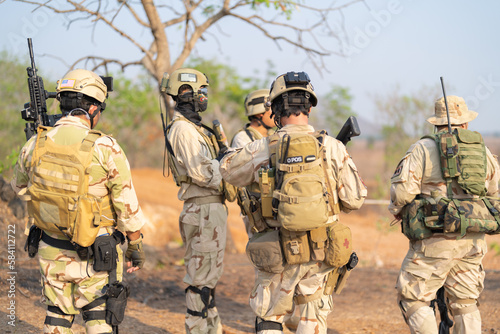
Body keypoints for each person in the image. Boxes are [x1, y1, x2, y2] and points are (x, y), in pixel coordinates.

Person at [220, 71, 366, 334]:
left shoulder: (263, 147)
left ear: (275, 109)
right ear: (309, 106)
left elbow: (228, 171)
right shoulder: (332, 147)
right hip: (320, 253)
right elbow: (354, 200)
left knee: (270, 318)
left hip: (276, 250)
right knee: (311, 321)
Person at [11, 69, 147, 334]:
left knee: (57, 317)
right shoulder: (106, 147)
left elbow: (20, 187)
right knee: (98, 315)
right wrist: (135, 246)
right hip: (96, 252)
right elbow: (127, 208)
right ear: (93, 107)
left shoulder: (34, 143)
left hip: (50, 248)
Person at [389, 95, 500, 333]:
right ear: (466, 124)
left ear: (435, 123)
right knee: (465, 303)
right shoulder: (483, 150)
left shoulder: (423, 148)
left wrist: (398, 212)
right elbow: (495, 192)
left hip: (434, 241)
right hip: (472, 240)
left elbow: (401, 193)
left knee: (414, 298)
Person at [163, 68, 227, 334]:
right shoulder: (183, 130)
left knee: (208, 277)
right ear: (184, 93)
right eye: (200, 91)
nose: (203, 97)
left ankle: (212, 329)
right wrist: (229, 165)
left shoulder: (193, 128)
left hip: (209, 209)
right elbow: (202, 172)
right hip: (202, 209)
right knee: (200, 279)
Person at [230, 89, 275, 237]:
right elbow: (245, 171)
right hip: (257, 206)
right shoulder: (242, 138)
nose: (275, 113)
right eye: (270, 110)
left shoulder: (274, 135)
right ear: (258, 113)